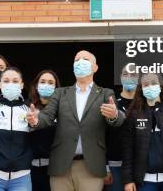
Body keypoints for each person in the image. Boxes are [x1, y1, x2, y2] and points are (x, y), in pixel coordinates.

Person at [26, 50, 125, 191]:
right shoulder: (60, 93)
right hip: (61, 165)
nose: (80, 62)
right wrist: (35, 120)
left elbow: (118, 119)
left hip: (91, 166)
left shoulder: (105, 93)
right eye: (77, 60)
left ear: (95, 67)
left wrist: (114, 115)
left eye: (85, 59)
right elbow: (46, 116)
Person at [105, 65, 138, 191]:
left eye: (133, 74)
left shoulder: (145, 103)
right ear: (120, 78)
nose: (129, 77)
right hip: (115, 166)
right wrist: (105, 167)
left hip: (140, 167)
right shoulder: (112, 103)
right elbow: (101, 137)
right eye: (125, 74)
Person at [29, 70, 60, 191]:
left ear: (56, 87)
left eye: (50, 82)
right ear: (36, 85)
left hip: (54, 170)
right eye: (42, 82)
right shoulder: (27, 107)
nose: (46, 85)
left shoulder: (62, 110)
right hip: (30, 169)